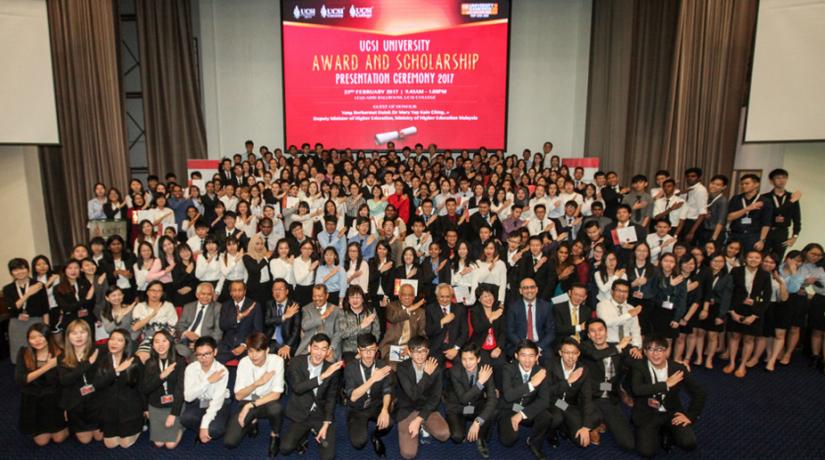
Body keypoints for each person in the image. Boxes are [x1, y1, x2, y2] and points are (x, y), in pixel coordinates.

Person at [631, 335, 706, 458]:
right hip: (648, 413)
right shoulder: (639, 367)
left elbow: (700, 393)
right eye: (651, 349)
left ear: (667, 351)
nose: (655, 354)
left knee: (689, 443)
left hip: (671, 412)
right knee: (647, 452)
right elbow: (637, 389)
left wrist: (691, 416)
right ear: (645, 352)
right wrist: (665, 384)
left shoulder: (678, 368)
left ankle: (667, 431)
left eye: (660, 349)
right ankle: (658, 431)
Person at [280, 333, 343, 460]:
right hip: (300, 413)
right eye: (316, 348)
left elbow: (331, 398)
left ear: (328, 352)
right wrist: (322, 377)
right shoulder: (295, 362)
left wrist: (326, 423)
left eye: (323, 349)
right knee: (285, 449)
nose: (319, 353)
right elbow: (298, 388)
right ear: (309, 348)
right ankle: (304, 433)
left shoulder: (332, 369)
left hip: (320, 414)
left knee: (328, 457)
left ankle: (314, 430)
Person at [224, 332, 285, 457]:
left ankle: (275, 435)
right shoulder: (244, 363)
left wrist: (250, 406)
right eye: (250, 351)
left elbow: (276, 394)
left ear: (267, 350)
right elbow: (238, 396)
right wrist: (257, 383)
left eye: (258, 351)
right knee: (230, 442)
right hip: (247, 401)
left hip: (267, 401)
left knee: (277, 408)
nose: (253, 356)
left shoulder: (277, 361)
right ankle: (253, 420)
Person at [581, 319, 638, 452]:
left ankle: (601, 420)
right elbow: (596, 356)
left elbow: (638, 365)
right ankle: (594, 423)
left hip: (610, 399)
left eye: (600, 330)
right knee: (581, 435)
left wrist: (640, 352)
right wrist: (618, 347)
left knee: (628, 444)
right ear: (589, 335)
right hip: (590, 398)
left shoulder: (620, 347)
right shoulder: (584, 348)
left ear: (606, 332)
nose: (597, 334)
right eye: (593, 331)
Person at [395, 335, 450, 459]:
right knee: (408, 454)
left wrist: (419, 419)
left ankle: (423, 424)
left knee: (444, 434)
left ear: (428, 352)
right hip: (407, 409)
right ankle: (417, 425)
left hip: (426, 408)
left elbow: (435, 398)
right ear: (409, 352)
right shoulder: (402, 367)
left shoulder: (437, 368)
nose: (420, 355)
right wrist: (426, 375)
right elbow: (413, 395)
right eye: (415, 351)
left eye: (423, 351)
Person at [497, 339, 553, 460]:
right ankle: (501, 424)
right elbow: (508, 395)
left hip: (528, 408)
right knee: (508, 440)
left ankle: (534, 443)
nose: (527, 360)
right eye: (523, 355)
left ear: (537, 356)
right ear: (516, 356)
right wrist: (531, 384)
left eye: (531, 356)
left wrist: (522, 414)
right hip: (509, 408)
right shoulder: (508, 368)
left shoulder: (541, 371)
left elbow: (544, 401)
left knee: (546, 416)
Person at [15, 323, 68, 446]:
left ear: (48, 337)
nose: (37, 341)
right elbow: (21, 379)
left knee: (58, 439)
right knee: (41, 442)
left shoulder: (60, 353)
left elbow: (61, 382)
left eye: (40, 336)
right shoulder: (24, 352)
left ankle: (66, 426)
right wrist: (47, 366)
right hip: (33, 400)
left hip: (53, 400)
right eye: (32, 338)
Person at [723, 250, 772, 378]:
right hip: (736, 309)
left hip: (754, 311)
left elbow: (767, 298)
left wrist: (755, 315)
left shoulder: (765, 275)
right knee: (734, 336)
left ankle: (742, 365)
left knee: (749, 339)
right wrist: (732, 312)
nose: (753, 259)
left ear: (761, 260)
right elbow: (728, 293)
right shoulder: (736, 271)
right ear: (745, 258)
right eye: (750, 257)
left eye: (757, 257)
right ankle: (732, 362)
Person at [343, 333, 394, 456]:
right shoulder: (350, 368)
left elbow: (387, 390)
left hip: (376, 404)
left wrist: (385, 410)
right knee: (358, 443)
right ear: (358, 351)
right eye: (364, 350)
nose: (369, 354)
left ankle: (376, 435)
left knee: (389, 423)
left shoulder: (382, 366)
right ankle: (355, 424)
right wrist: (373, 379)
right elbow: (353, 396)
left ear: (376, 349)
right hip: (357, 408)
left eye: (372, 350)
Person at [445, 342, 498, 458]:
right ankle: (462, 424)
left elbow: (492, 400)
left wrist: (478, 420)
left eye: (471, 359)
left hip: (476, 405)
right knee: (457, 437)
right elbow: (463, 399)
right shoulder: (455, 371)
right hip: (458, 407)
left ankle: (481, 438)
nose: (467, 363)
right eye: (464, 359)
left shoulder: (486, 371)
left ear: (478, 359)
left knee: (493, 410)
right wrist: (480, 383)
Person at [94, 328, 143, 448]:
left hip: (129, 410)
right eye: (112, 339)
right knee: (110, 445)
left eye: (119, 340)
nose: (114, 343)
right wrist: (116, 371)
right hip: (109, 410)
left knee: (125, 444)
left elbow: (141, 387)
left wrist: (144, 409)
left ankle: (139, 426)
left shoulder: (134, 360)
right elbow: (97, 384)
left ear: (126, 344)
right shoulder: (102, 359)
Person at [58, 319, 103, 444]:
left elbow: (103, 380)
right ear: (68, 336)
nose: (79, 336)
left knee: (99, 437)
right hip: (76, 402)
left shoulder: (98, 351)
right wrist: (87, 364)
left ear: (89, 334)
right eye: (74, 333)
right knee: (85, 440)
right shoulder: (63, 357)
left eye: (83, 332)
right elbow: (65, 381)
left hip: (96, 402)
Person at [546, 337, 595, 449]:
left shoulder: (584, 369)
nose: (571, 356)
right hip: (552, 401)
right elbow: (546, 393)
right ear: (560, 353)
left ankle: (564, 427)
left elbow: (587, 397)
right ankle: (551, 434)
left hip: (569, 405)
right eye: (567, 352)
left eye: (574, 353)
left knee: (581, 442)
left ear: (578, 354)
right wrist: (568, 382)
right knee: (556, 417)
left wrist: (586, 426)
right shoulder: (550, 364)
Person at [140, 330, 186, 449]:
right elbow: (145, 389)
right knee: (159, 443)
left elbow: (180, 390)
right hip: (156, 405)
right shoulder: (150, 363)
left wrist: (174, 414)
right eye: (156, 342)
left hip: (175, 405)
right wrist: (161, 376)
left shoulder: (180, 361)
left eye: (164, 341)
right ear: (153, 345)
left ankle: (181, 427)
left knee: (170, 445)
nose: (160, 345)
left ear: (170, 342)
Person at [181, 336, 231, 444]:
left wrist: (204, 425)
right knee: (186, 418)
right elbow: (188, 397)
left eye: (207, 354)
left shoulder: (222, 371)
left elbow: (216, 402)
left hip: (219, 403)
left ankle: (210, 426)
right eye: (199, 355)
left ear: (215, 352)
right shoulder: (191, 368)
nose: (203, 358)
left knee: (215, 430)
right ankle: (202, 430)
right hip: (200, 402)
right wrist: (208, 381)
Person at [4, 258, 50, 364]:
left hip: (36, 322)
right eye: (15, 270)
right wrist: (28, 293)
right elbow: (11, 308)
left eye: (22, 268)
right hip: (17, 324)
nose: (19, 272)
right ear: (11, 273)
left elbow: (45, 308)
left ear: (28, 269)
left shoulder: (38, 285)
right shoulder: (8, 288)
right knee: (19, 353)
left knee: (39, 351)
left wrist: (46, 327)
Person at [379, 283, 427, 367]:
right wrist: (411, 308)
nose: (407, 297)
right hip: (391, 348)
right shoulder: (391, 306)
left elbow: (421, 334)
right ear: (399, 296)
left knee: (414, 368)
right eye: (404, 295)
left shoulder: (420, 312)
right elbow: (393, 318)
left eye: (410, 295)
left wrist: (411, 348)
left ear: (414, 297)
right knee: (393, 369)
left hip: (410, 349)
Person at [506, 277, 555, 356]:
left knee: (549, 361)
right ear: (520, 291)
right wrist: (524, 347)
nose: (529, 290)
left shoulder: (546, 306)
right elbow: (510, 332)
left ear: (537, 289)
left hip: (541, 345)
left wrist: (538, 348)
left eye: (532, 287)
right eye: (525, 288)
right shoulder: (513, 307)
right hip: (519, 344)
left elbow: (551, 332)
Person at [217, 280, 263, 363]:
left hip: (247, 346)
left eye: (240, 290)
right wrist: (237, 319)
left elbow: (258, 331)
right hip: (227, 345)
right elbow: (222, 325)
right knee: (214, 362)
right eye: (234, 290)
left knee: (247, 365)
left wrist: (244, 345)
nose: (237, 293)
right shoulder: (226, 305)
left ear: (244, 292)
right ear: (230, 292)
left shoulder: (254, 306)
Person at [334, 285, 380, 362]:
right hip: (350, 350)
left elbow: (376, 332)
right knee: (353, 366)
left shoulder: (371, 311)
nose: (355, 300)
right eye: (352, 297)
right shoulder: (343, 313)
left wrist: (366, 349)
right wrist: (361, 326)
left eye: (358, 297)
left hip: (368, 348)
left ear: (362, 299)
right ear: (348, 299)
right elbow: (343, 333)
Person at [175, 282, 223, 358]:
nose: (206, 297)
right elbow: (179, 326)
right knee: (176, 354)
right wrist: (186, 333)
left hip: (204, 344)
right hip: (185, 341)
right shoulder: (188, 307)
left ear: (213, 295)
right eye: (203, 294)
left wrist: (201, 343)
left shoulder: (218, 308)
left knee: (198, 359)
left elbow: (218, 333)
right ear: (197, 295)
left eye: (209, 294)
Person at [762, 168, 801, 259]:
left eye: (784, 177)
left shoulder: (791, 197)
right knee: (762, 258)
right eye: (778, 178)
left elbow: (797, 219)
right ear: (772, 181)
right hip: (767, 231)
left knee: (777, 259)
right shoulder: (765, 197)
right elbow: (773, 213)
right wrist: (790, 202)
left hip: (782, 232)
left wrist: (794, 237)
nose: (781, 180)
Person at [727, 173, 771, 253]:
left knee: (750, 258)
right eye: (742, 184)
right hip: (735, 234)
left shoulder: (765, 201)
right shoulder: (736, 199)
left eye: (747, 183)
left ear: (756, 184)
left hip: (753, 236)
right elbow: (729, 217)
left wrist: (762, 240)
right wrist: (747, 209)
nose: (744, 186)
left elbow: (766, 223)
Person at [425, 283, 468, 364]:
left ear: (452, 296)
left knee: (461, 368)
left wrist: (455, 348)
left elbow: (465, 332)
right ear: (437, 296)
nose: (445, 299)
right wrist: (442, 322)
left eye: (447, 296)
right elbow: (428, 332)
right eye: (442, 296)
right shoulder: (430, 309)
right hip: (437, 348)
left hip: (454, 347)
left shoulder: (459, 309)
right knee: (433, 371)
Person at [296, 284, 341, 359]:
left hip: (329, 347)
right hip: (309, 347)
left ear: (327, 295)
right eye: (314, 296)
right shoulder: (307, 309)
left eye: (320, 296)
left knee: (329, 362)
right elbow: (305, 326)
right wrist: (322, 317)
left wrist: (331, 348)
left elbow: (338, 332)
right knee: (297, 364)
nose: (317, 299)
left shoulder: (336, 310)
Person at [596, 279, 643, 349]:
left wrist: (636, 346)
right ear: (612, 291)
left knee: (638, 358)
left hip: (628, 344)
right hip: (609, 344)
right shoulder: (602, 305)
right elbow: (606, 323)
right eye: (618, 290)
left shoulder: (630, 308)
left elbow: (635, 329)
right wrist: (628, 315)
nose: (622, 294)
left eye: (625, 292)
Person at [264, 278, 302, 360]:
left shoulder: (294, 305)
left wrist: (288, 346)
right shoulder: (269, 304)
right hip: (271, 341)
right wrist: (284, 317)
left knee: (282, 360)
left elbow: (296, 329)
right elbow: (267, 321)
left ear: (287, 291)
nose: (277, 292)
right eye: (275, 289)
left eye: (281, 289)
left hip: (287, 342)